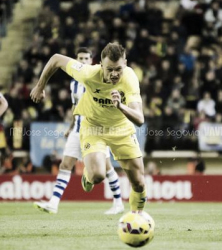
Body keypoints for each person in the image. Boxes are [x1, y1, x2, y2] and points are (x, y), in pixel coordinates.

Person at [31, 43, 147, 213]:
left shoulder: (130, 78)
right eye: (109, 69)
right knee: (98, 175)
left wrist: (121, 106)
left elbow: (140, 119)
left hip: (121, 128)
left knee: (138, 182)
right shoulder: (88, 73)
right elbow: (56, 59)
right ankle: (88, 175)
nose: (114, 74)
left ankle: (137, 217)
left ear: (125, 64)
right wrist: (40, 86)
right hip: (93, 127)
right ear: (100, 65)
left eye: (118, 69)